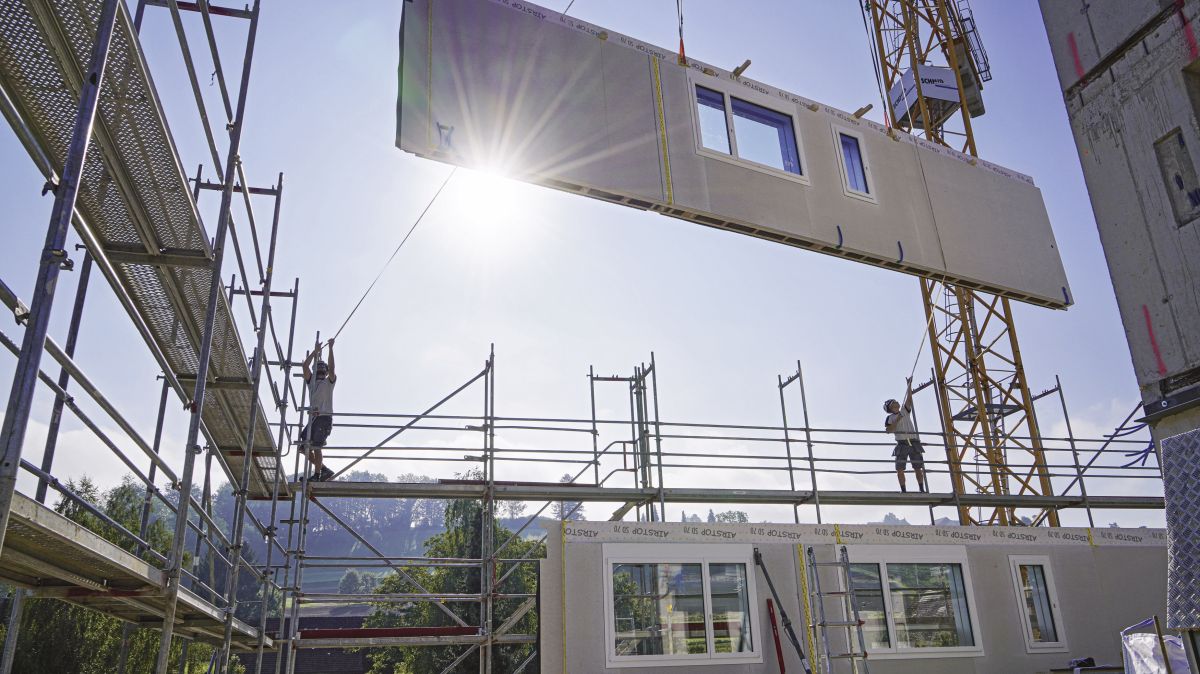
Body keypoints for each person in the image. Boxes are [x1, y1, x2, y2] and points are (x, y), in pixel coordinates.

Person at [300, 337, 337, 481]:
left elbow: (333, 369)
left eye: (323, 369)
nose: (320, 371)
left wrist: (330, 349)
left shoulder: (329, 382)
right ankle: (323, 469)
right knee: (303, 447)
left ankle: (317, 475)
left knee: (316, 447)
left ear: (326, 372)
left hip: (324, 418)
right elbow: (304, 366)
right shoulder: (311, 383)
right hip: (314, 418)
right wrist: (315, 352)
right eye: (318, 368)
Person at [884, 378, 926, 493]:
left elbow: (909, 399)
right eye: (893, 403)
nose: (896, 402)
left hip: (913, 442)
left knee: (918, 467)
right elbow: (888, 430)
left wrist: (909, 386)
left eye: (896, 401)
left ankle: (921, 489)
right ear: (890, 408)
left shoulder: (905, 410)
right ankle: (903, 490)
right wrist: (897, 419)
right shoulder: (890, 418)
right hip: (902, 444)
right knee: (900, 469)